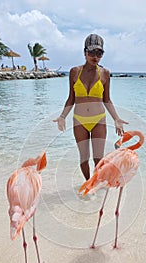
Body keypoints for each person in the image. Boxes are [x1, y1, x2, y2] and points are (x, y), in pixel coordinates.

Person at [53, 34, 128, 180]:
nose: (95, 56)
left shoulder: (105, 73)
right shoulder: (75, 72)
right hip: (79, 120)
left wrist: (116, 118)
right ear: (85, 52)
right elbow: (71, 98)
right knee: (84, 158)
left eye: (99, 53)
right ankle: (88, 183)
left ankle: (97, 184)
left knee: (98, 159)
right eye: (92, 52)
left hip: (98, 120)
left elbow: (107, 99)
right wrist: (62, 116)